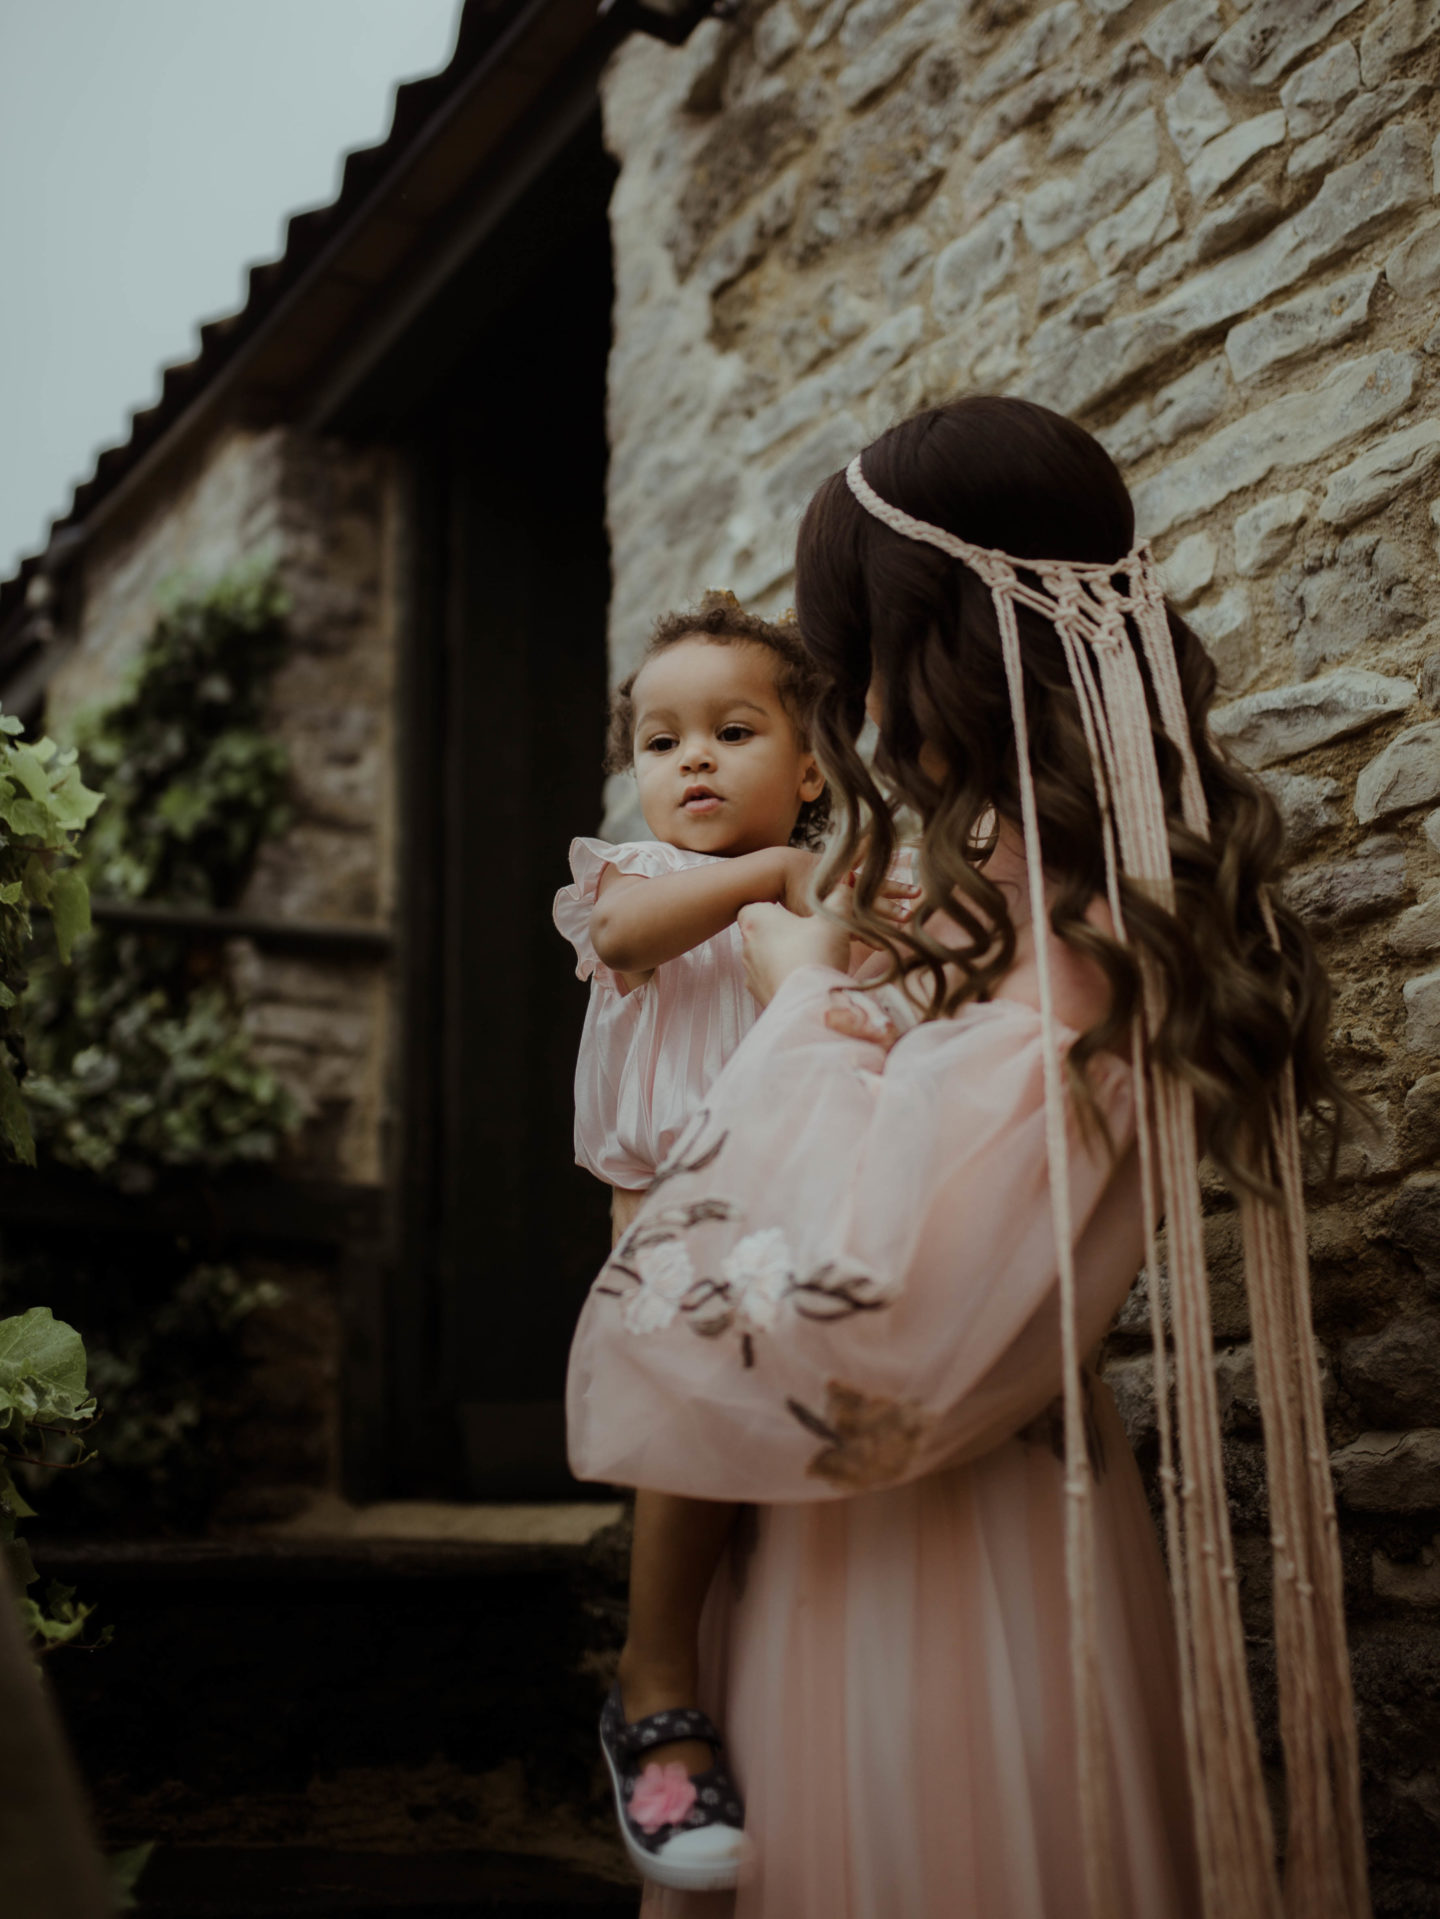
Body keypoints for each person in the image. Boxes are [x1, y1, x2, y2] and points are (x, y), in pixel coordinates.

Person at [566, 396, 1370, 1919]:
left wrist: (799, 986)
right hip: (863, 1487)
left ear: (925, 643)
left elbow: (906, 1246)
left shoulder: (1090, 906)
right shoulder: (998, 864)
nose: (854, 717)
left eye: (852, 659)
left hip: (943, 1537)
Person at [553, 592, 917, 1893]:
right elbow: (623, 937)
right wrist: (770, 878)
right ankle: (650, 1691)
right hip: (685, 1232)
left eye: (732, 729)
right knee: (699, 1452)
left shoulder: (855, 886)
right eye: (662, 741)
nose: (691, 758)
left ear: (813, 761)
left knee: (767, 1534)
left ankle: (748, 1740)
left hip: (800, 1227)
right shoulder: (646, 882)